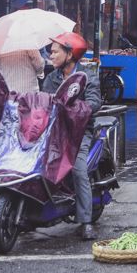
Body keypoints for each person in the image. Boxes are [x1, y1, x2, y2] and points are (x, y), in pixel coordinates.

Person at [41, 31, 101, 240]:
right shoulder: (52, 77)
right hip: (54, 130)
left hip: (79, 132)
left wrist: (74, 108)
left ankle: (85, 221)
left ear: (69, 54)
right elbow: (43, 100)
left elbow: (94, 102)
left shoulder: (87, 77)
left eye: (55, 52)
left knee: (77, 169)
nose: (51, 55)